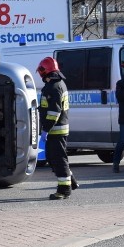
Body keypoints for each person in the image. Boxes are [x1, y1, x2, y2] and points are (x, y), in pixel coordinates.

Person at [37, 57, 78, 200]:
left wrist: (45, 130)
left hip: (56, 130)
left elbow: (54, 112)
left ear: (44, 71)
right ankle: (70, 179)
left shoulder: (53, 87)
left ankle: (64, 190)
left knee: (59, 160)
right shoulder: (59, 84)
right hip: (58, 129)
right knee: (54, 158)